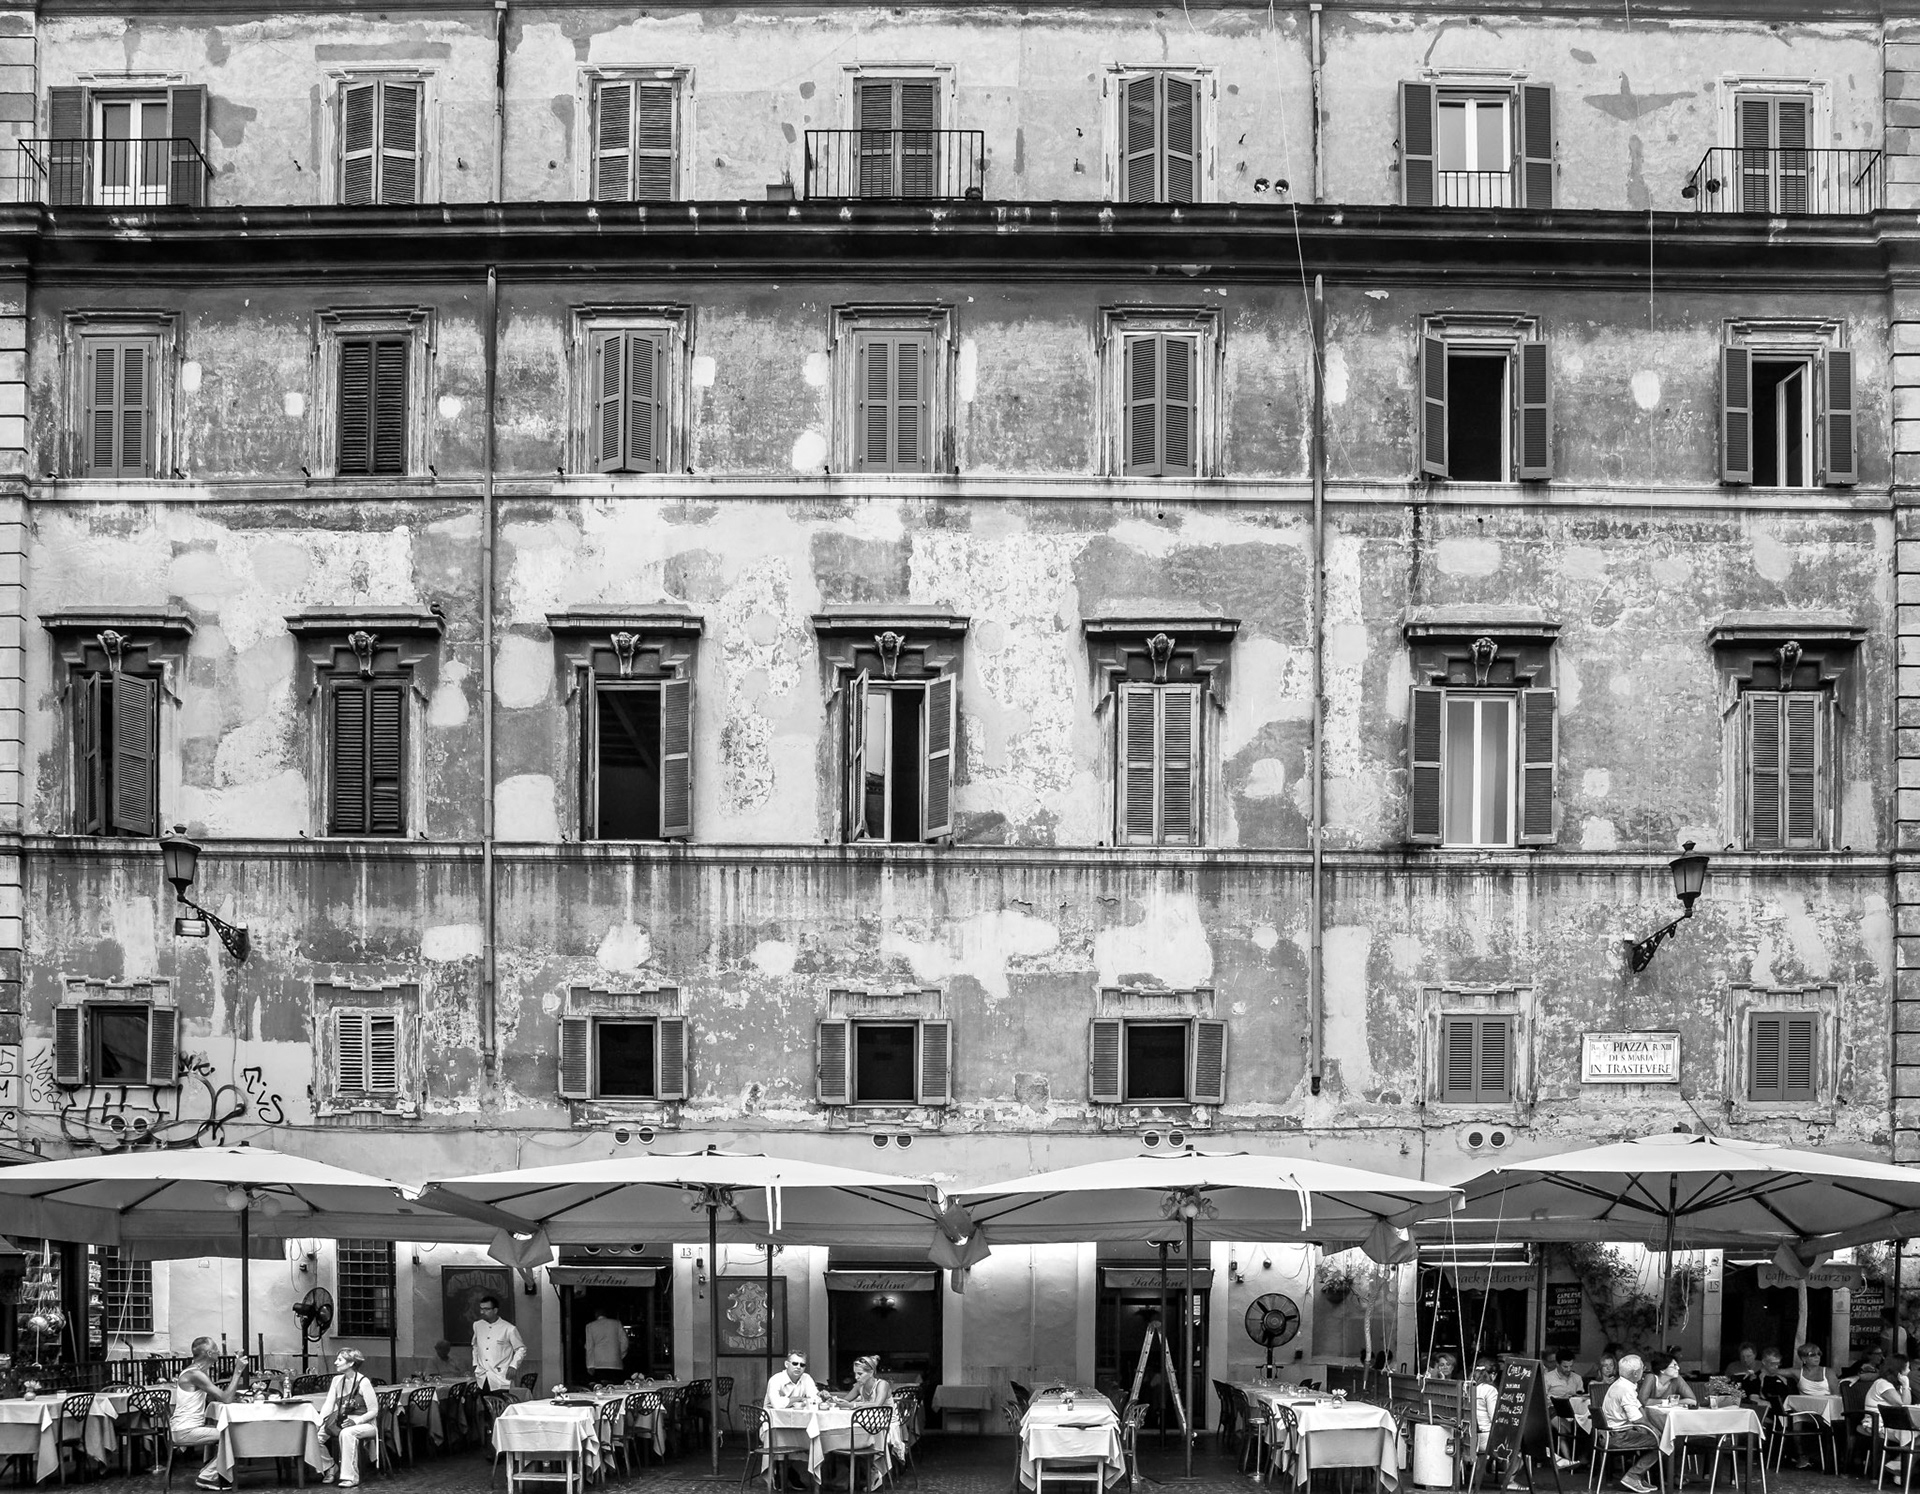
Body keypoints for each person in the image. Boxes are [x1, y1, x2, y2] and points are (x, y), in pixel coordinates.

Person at [175, 1339, 249, 1491]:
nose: (219, 1352)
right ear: (209, 1353)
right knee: (234, 1436)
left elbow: (219, 1396)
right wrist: (238, 1371)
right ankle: (207, 1475)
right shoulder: (196, 1374)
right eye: (216, 1349)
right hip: (185, 1430)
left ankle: (210, 1470)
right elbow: (226, 1398)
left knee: (226, 1431)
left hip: (182, 1427)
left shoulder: (196, 1372)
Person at [318, 1348, 379, 1488]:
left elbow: (374, 1411)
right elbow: (329, 1404)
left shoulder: (363, 1382)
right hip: (340, 1421)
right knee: (313, 1436)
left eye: (339, 1360)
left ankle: (350, 1477)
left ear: (351, 1363)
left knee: (347, 1433)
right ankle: (330, 1466)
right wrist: (319, 1422)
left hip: (365, 1424)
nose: (335, 1362)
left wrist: (356, 1421)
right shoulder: (336, 1380)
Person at [1600, 1354, 1660, 1494]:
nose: (1643, 1370)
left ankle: (1637, 1477)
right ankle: (1633, 1475)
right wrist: (1653, 1429)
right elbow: (1637, 1419)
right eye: (1642, 1368)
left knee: (1651, 1437)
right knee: (1662, 1441)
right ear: (1635, 1373)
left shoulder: (1621, 1384)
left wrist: (1650, 1428)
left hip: (1610, 1433)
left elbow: (1638, 1408)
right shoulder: (1625, 1389)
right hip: (1617, 1436)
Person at [472, 1295, 527, 1393]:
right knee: (483, 1404)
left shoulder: (509, 1328)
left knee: (500, 1404)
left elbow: (521, 1349)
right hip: (482, 1375)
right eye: (481, 1309)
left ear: (495, 1310)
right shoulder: (477, 1325)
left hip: (500, 1376)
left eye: (486, 1309)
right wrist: (475, 1363)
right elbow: (475, 1345)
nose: (482, 1312)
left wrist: (513, 1365)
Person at [584, 1307, 630, 1386]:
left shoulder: (590, 1326)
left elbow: (589, 1347)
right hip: (615, 1362)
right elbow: (625, 1342)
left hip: (598, 1363)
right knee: (616, 1386)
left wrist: (590, 1365)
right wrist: (619, 1354)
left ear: (596, 1315)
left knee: (601, 1387)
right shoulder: (617, 1324)